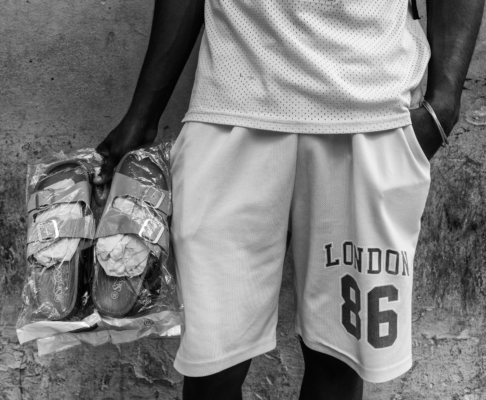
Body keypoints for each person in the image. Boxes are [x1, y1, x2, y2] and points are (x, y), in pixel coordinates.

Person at [93, 0, 485, 399]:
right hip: (230, 103)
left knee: (339, 356)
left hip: (369, 107)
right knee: (211, 362)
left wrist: (444, 105)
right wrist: (142, 116)